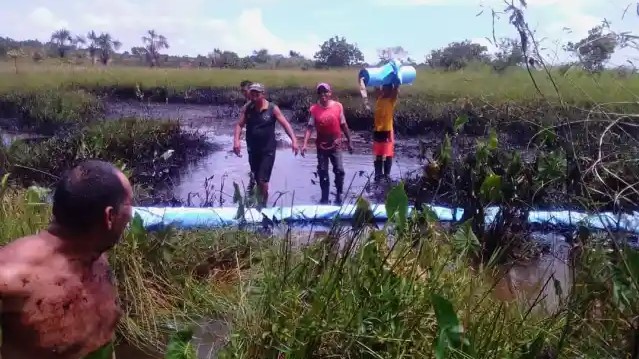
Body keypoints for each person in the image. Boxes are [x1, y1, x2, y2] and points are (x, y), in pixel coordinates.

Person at [0, 160, 133, 359]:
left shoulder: (95, 254)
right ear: (110, 217)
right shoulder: (10, 275)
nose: (131, 216)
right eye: (130, 204)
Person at [233, 83, 299, 208]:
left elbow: (285, 124)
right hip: (252, 149)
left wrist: (294, 140)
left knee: (263, 180)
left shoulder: (272, 108)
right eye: (252, 94)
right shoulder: (247, 108)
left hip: (267, 150)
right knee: (256, 178)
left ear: (263, 94)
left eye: (257, 94)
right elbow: (239, 125)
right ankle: (259, 202)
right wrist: (236, 141)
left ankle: (263, 207)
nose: (254, 96)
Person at [301, 83, 353, 204]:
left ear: (330, 93)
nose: (323, 94)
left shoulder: (338, 106)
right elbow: (309, 127)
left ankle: (339, 194)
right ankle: (324, 199)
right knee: (323, 172)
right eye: (320, 92)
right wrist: (304, 144)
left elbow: (344, 125)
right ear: (318, 94)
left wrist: (350, 141)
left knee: (339, 170)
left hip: (336, 144)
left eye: (325, 92)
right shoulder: (314, 109)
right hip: (321, 146)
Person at [372, 83, 399, 182]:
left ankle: (387, 175)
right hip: (378, 131)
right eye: (383, 88)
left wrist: (396, 82)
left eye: (386, 89)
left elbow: (396, 90)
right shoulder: (379, 98)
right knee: (378, 154)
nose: (383, 90)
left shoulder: (391, 100)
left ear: (390, 90)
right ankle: (378, 175)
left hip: (387, 131)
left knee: (388, 154)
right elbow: (376, 87)